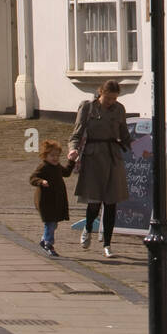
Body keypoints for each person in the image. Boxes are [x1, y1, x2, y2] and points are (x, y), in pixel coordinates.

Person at [68, 79, 131, 259]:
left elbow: (124, 134)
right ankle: (88, 229)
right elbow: (76, 133)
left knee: (112, 202)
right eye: (108, 98)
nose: (111, 102)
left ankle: (108, 244)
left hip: (113, 157)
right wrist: (72, 150)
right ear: (100, 93)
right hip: (93, 157)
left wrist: (139, 147)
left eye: (114, 98)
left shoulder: (119, 110)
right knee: (94, 201)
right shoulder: (88, 108)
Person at [29, 139, 76, 259]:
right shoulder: (44, 166)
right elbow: (33, 178)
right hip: (45, 201)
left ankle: (44, 240)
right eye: (52, 156)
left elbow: (66, 173)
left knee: (53, 224)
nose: (55, 158)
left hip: (55, 201)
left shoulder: (57, 166)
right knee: (50, 223)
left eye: (57, 156)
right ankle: (48, 244)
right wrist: (41, 181)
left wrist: (71, 161)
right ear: (45, 156)